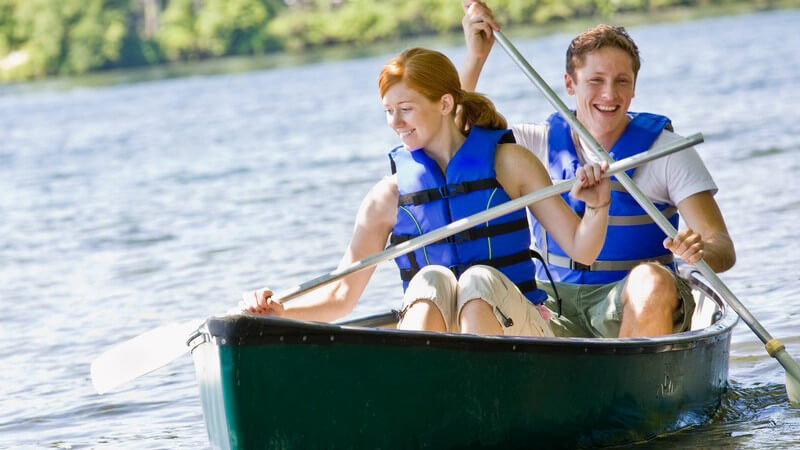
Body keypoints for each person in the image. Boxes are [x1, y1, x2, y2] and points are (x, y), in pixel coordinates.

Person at [243, 47, 611, 337]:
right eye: (388, 111)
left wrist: (596, 207)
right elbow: (341, 297)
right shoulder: (386, 198)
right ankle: (428, 394)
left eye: (406, 109)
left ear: (446, 104)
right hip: (442, 350)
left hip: (522, 338)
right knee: (429, 280)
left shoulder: (510, 162)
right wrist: (281, 311)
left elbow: (582, 249)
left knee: (477, 280)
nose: (395, 123)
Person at [460, 1, 736, 338]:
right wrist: (476, 56)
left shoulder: (668, 152)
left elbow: (722, 246)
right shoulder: (534, 143)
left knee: (649, 279)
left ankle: (628, 386)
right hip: (552, 305)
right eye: (596, 80)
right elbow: (457, 136)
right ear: (569, 84)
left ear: (634, 87)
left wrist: (700, 251)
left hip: (634, 302)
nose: (610, 93)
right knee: (477, 283)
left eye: (622, 81)